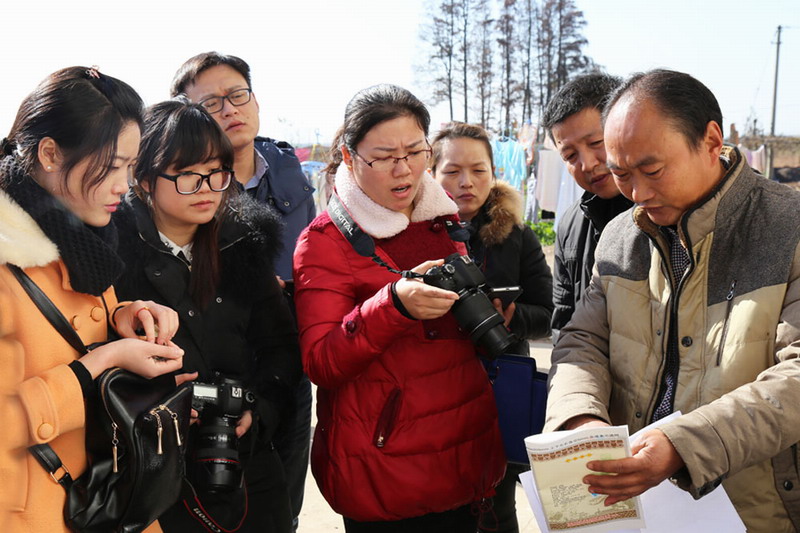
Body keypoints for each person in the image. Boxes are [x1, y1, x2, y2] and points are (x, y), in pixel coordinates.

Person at [545, 69, 800, 532]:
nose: (638, 194)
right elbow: (581, 340)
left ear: (710, 141)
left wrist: (684, 445)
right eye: (621, 174)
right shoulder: (620, 237)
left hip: (757, 507)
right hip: (637, 508)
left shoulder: (788, 228)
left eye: (652, 170)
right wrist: (581, 417)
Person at [293, 84, 505, 532]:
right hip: (386, 467)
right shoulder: (325, 241)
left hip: (464, 449)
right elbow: (321, 362)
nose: (403, 169)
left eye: (414, 152)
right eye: (385, 156)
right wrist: (393, 305)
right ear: (349, 157)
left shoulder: (443, 219)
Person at [0, 66, 184, 533]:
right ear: (49, 154)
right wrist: (102, 363)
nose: (124, 184)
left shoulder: (81, 235)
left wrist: (126, 316)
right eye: (112, 165)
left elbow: (67, 321)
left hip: (102, 498)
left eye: (130, 166)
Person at [113, 97, 303, 533]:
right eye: (187, 174)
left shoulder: (245, 244)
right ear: (144, 179)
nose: (206, 188)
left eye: (217, 172)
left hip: (245, 461)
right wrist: (160, 402)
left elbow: (281, 347)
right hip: (155, 470)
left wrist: (258, 409)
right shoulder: (112, 255)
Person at [171, 53, 315, 530]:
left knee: (283, 504)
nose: (230, 109)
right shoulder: (178, 189)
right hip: (217, 374)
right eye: (211, 103)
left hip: (286, 359)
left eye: (237, 95)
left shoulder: (290, 169)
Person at [431, 122, 553, 533]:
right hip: (434, 394)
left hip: (500, 390)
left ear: (493, 173)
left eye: (478, 170)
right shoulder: (412, 235)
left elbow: (548, 313)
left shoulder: (517, 236)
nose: (466, 182)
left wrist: (512, 318)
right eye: (452, 171)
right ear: (431, 173)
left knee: (496, 504)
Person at [541, 73, 633, 340]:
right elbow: (564, 320)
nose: (588, 163)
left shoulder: (665, 208)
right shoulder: (570, 225)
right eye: (570, 155)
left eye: (596, 143)